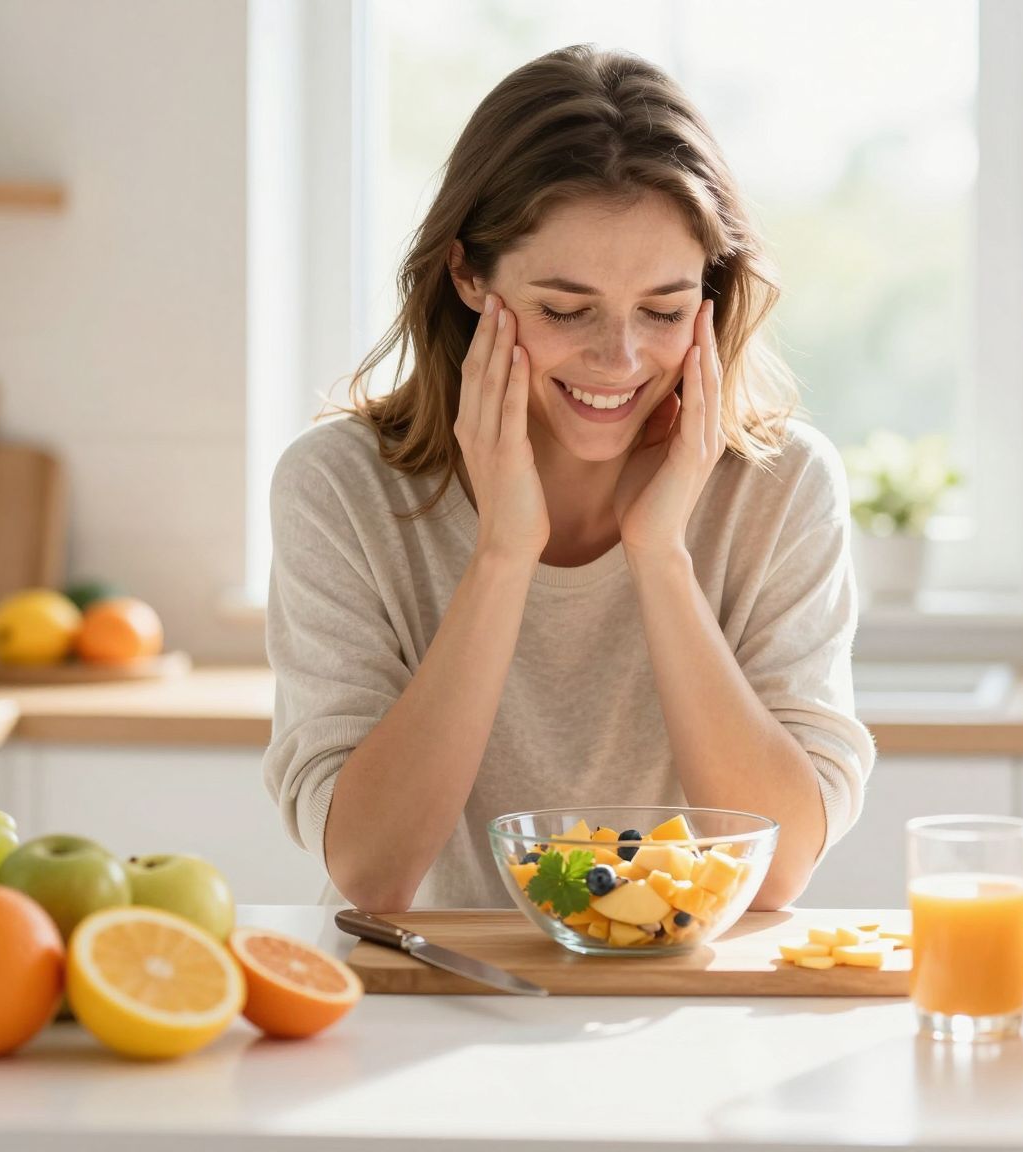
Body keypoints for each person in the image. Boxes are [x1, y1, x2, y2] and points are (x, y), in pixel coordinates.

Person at [264, 45, 873, 913]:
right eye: (564, 309)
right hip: (428, 1006)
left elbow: (775, 874)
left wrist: (659, 553)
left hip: (683, 1014)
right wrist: (505, 553)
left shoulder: (783, 488)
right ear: (469, 274)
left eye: (663, 311)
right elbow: (372, 871)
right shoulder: (339, 489)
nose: (619, 359)